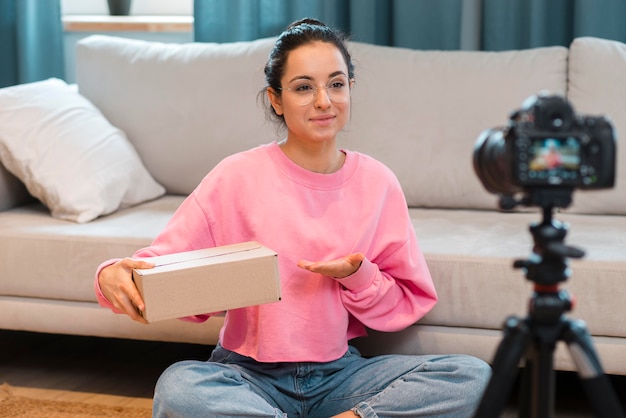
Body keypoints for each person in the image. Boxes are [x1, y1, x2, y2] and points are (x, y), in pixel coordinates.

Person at [95, 18, 491, 418]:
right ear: (276, 99)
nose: (323, 101)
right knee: (180, 388)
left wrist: (357, 275)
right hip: (245, 376)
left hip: (340, 376)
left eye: (336, 84)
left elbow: (406, 301)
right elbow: (160, 265)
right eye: (304, 87)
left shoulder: (378, 183)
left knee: (472, 377)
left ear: (350, 89)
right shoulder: (236, 176)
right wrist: (111, 273)